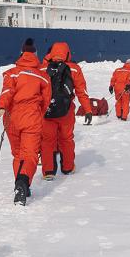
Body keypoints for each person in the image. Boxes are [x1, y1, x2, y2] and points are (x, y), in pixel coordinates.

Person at [0, 38, 51, 205]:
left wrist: (2, 106)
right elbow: (46, 100)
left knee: (18, 154)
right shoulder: (43, 76)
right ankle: (22, 182)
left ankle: (21, 186)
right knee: (30, 154)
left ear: (21, 54)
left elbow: (7, 90)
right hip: (31, 118)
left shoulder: (12, 73)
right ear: (35, 55)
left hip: (11, 118)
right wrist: (38, 114)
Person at [40, 42, 94, 179]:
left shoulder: (42, 68)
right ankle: (68, 167)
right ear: (68, 53)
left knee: (47, 141)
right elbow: (82, 91)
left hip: (46, 111)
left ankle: (48, 172)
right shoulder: (74, 69)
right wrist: (87, 110)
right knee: (66, 139)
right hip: (66, 111)